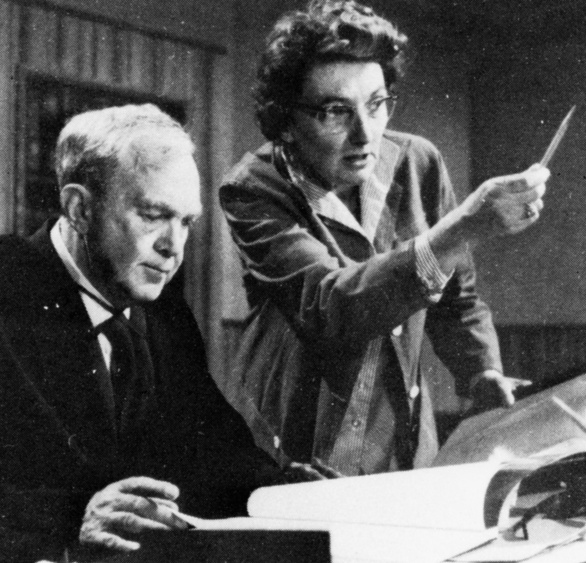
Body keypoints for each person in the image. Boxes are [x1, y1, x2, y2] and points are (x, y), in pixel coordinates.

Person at [0, 104, 283, 562]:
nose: (174, 247)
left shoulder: (163, 310)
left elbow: (213, 447)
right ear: (80, 209)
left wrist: (282, 489)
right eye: (152, 215)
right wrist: (71, 518)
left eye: (186, 222)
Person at [218, 0, 550, 477]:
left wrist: (482, 371)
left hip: (399, 434)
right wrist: (460, 227)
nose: (365, 133)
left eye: (376, 104)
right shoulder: (254, 187)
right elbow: (329, 306)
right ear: (286, 121)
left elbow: (457, 297)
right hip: (293, 438)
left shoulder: (419, 162)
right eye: (336, 112)